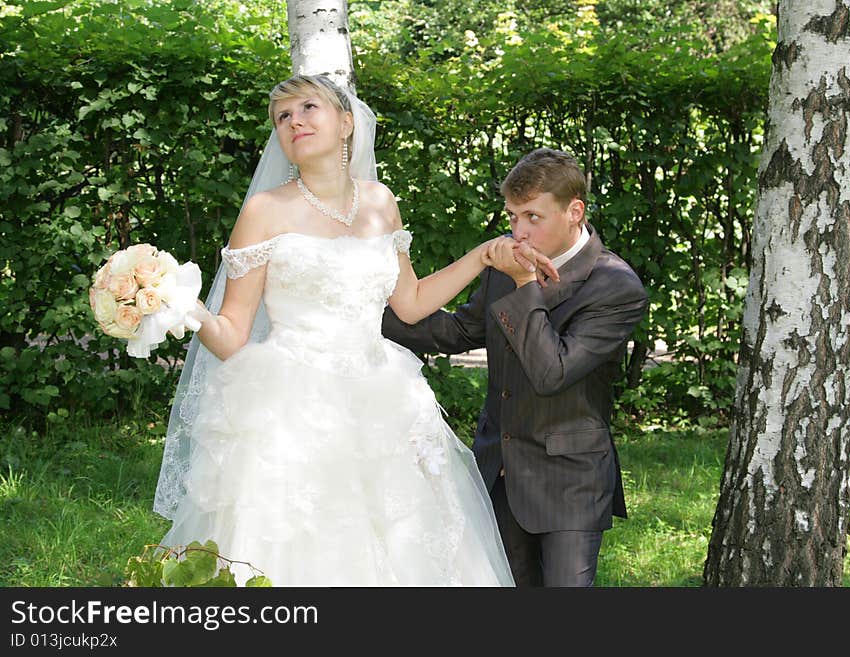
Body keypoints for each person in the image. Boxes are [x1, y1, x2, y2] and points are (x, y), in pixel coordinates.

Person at [151, 74, 561, 586]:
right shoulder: (264, 211)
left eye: (307, 107)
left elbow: (409, 305)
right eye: (282, 117)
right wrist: (178, 305)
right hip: (291, 401)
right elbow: (232, 334)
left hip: (380, 392)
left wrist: (481, 256)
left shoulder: (379, 203)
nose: (294, 121)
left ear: (346, 123)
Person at [382, 148, 649, 587]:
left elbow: (552, 372)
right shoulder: (505, 268)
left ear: (574, 211)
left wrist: (525, 284)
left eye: (532, 217)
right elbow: (459, 332)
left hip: (570, 480)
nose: (518, 232)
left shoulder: (615, 285)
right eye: (511, 217)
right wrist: (364, 316)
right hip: (499, 468)